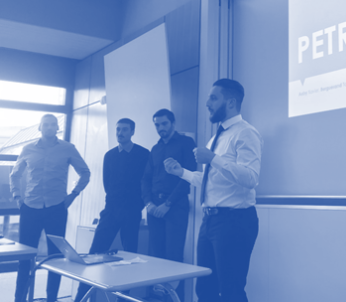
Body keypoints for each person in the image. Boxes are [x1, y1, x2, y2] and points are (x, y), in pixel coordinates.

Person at [165, 79, 263, 302]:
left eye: (213, 98)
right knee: (205, 290)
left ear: (231, 102)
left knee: (231, 292)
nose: (207, 103)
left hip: (235, 221)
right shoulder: (215, 139)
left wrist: (213, 158)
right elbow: (211, 181)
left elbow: (251, 178)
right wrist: (182, 172)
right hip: (209, 221)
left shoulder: (246, 133)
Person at [10, 114, 90, 302]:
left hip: (56, 209)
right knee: (25, 257)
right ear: (40, 127)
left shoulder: (68, 148)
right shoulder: (28, 149)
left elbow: (85, 173)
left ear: (57, 128)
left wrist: (73, 194)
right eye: (45, 124)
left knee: (56, 258)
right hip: (30, 208)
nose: (49, 127)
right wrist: (18, 198)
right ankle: (19, 299)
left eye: (53, 124)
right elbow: (15, 175)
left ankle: (51, 299)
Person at [74, 118, 150, 302]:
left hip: (132, 212)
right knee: (93, 254)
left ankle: (124, 299)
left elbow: (146, 182)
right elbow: (107, 184)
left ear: (132, 132)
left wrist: (138, 206)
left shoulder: (143, 154)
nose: (120, 133)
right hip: (110, 211)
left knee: (130, 258)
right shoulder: (109, 155)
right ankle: (80, 298)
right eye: (118, 130)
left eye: (124, 129)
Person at [142, 108, 196, 301]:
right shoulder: (155, 149)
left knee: (173, 257)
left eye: (164, 124)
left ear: (173, 123)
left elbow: (188, 177)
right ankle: (158, 299)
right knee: (156, 256)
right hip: (154, 208)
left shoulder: (186, 143)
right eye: (157, 125)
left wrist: (168, 203)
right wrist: (148, 203)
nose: (160, 128)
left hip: (175, 207)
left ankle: (174, 299)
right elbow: (145, 179)